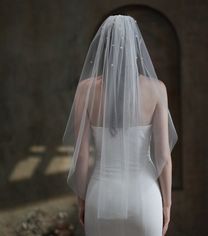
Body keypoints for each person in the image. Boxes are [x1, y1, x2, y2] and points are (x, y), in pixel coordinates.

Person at [63, 14, 178, 236]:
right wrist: (167, 204)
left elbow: (82, 157)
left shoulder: (85, 91)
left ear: (103, 49)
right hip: (144, 199)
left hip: (101, 196)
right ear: (136, 47)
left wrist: (82, 200)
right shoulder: (156, 89)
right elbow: (163, 155)